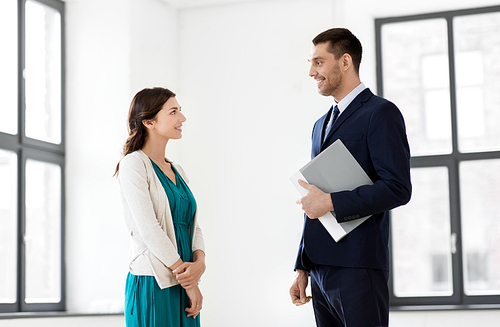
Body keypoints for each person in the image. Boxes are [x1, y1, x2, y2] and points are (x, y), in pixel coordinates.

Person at [289, 28, 412, 327]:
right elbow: (314, 197)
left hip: (359, 266)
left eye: (318, 62)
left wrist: (330, 201)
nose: (311, 72)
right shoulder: (321, 124)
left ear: (345, 62)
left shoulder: (380, 113)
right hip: (320, 268)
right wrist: (302, 266)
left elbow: (397, 188)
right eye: (310, 63)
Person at [115, 87, 206, 326]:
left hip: (185, 279)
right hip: (155, 280)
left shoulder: (178, 171)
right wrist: (189, 281)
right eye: (173, 112)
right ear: (149, 122)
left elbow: (192, 224)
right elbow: (148, 229)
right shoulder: (133, 164)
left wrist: (200, 262)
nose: (182, 118)